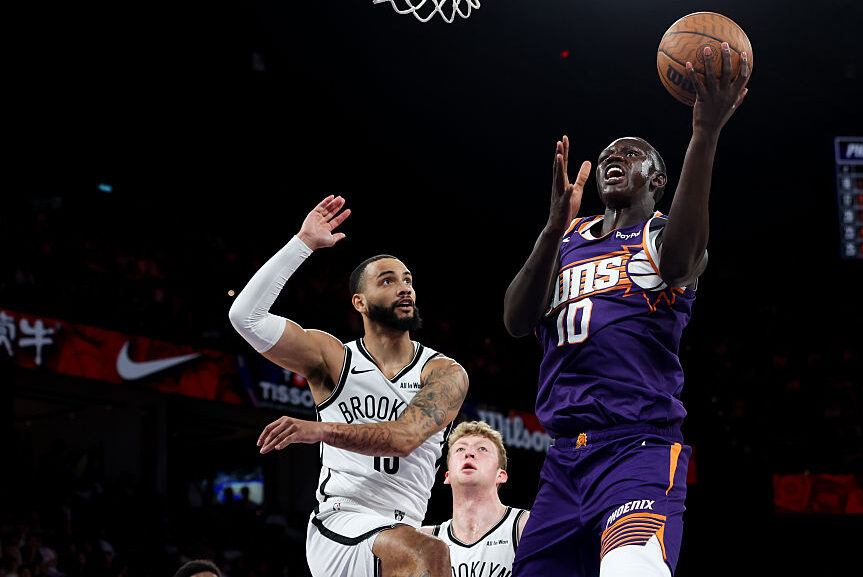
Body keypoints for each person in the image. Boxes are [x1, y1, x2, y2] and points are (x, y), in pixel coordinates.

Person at [502, 44, 749, 576]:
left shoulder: (662, 236)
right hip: (562, 462)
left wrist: (704, 134)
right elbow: (516, 321)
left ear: (658, 180)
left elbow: (681, 264)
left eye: (633, 155)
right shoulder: (566, 239)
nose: (615, 157)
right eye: (609, 155)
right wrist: (551, 226)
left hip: (637, 449)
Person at [228, 195, 468, 577]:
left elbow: (404, 438)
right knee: (431, 554)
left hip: (403, 527)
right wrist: (302, 244)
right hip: (342, 521)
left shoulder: (444, 372)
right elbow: (246, 317)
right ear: (360, 302)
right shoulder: (334, 359)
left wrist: (319, 430)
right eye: (388, 281)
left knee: (431, 553)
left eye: (408, 280)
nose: (404, 288)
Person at [420, 421, 529, 577]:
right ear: (447, 476)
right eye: (460, 449)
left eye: (482, 449)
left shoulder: (525, 525)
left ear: (501, 475)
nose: (469, 454)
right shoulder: (425, 540)